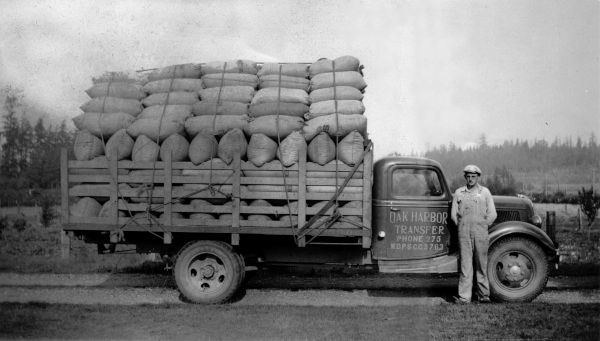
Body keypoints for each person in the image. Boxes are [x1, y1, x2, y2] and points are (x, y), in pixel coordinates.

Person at [450, 164, 497, 304]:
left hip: (481, 232)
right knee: (465, 266)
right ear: (465, 177)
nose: (470, 179)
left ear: (478, 177)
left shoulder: (485, 192)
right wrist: (462, 226)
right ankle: (464, 297)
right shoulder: (459, 192)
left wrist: (483, 225)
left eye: (473, 176)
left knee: (481, 264)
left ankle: (484, 296)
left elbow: (493, 214)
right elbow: (453, 215)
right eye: (468, 176)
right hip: (464, 233)